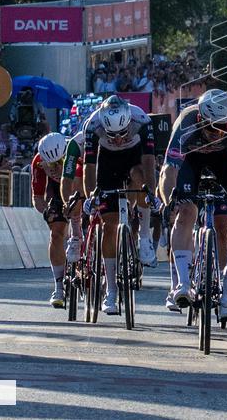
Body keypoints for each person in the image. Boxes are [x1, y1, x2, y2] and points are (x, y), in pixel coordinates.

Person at [158, 89, 227, 320]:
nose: (218, 133)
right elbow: (169, 171)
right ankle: (182, 284)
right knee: (185, 211)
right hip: (191, 160)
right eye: (212, 128)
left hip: (224, 159)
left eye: (223, 127)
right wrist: (170, 201)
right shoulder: (186, 123)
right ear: (201, 119)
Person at [82, 96, 158, 315]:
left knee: (140, 178)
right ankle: (111, 290)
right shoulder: (93, 125)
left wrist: (151, 193)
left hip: (134, 158)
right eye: (111, 134)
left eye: (122, 133)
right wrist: (91, 197)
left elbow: (149, 161)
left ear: (128, 124)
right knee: (110, 226)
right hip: (106, 162)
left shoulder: (141, 120)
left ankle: (144, 237)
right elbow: (89, 167)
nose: (117, 139)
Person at [31, 133, 83, 308]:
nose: (54, 168)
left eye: (59, 163)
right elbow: (38, 198)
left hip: (78, 185)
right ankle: (58, 287)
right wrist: (48, 213)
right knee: (56, 233)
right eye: (50, 164)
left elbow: (81, 186)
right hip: (56, 191)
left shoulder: (75, 154)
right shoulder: (38, 161)